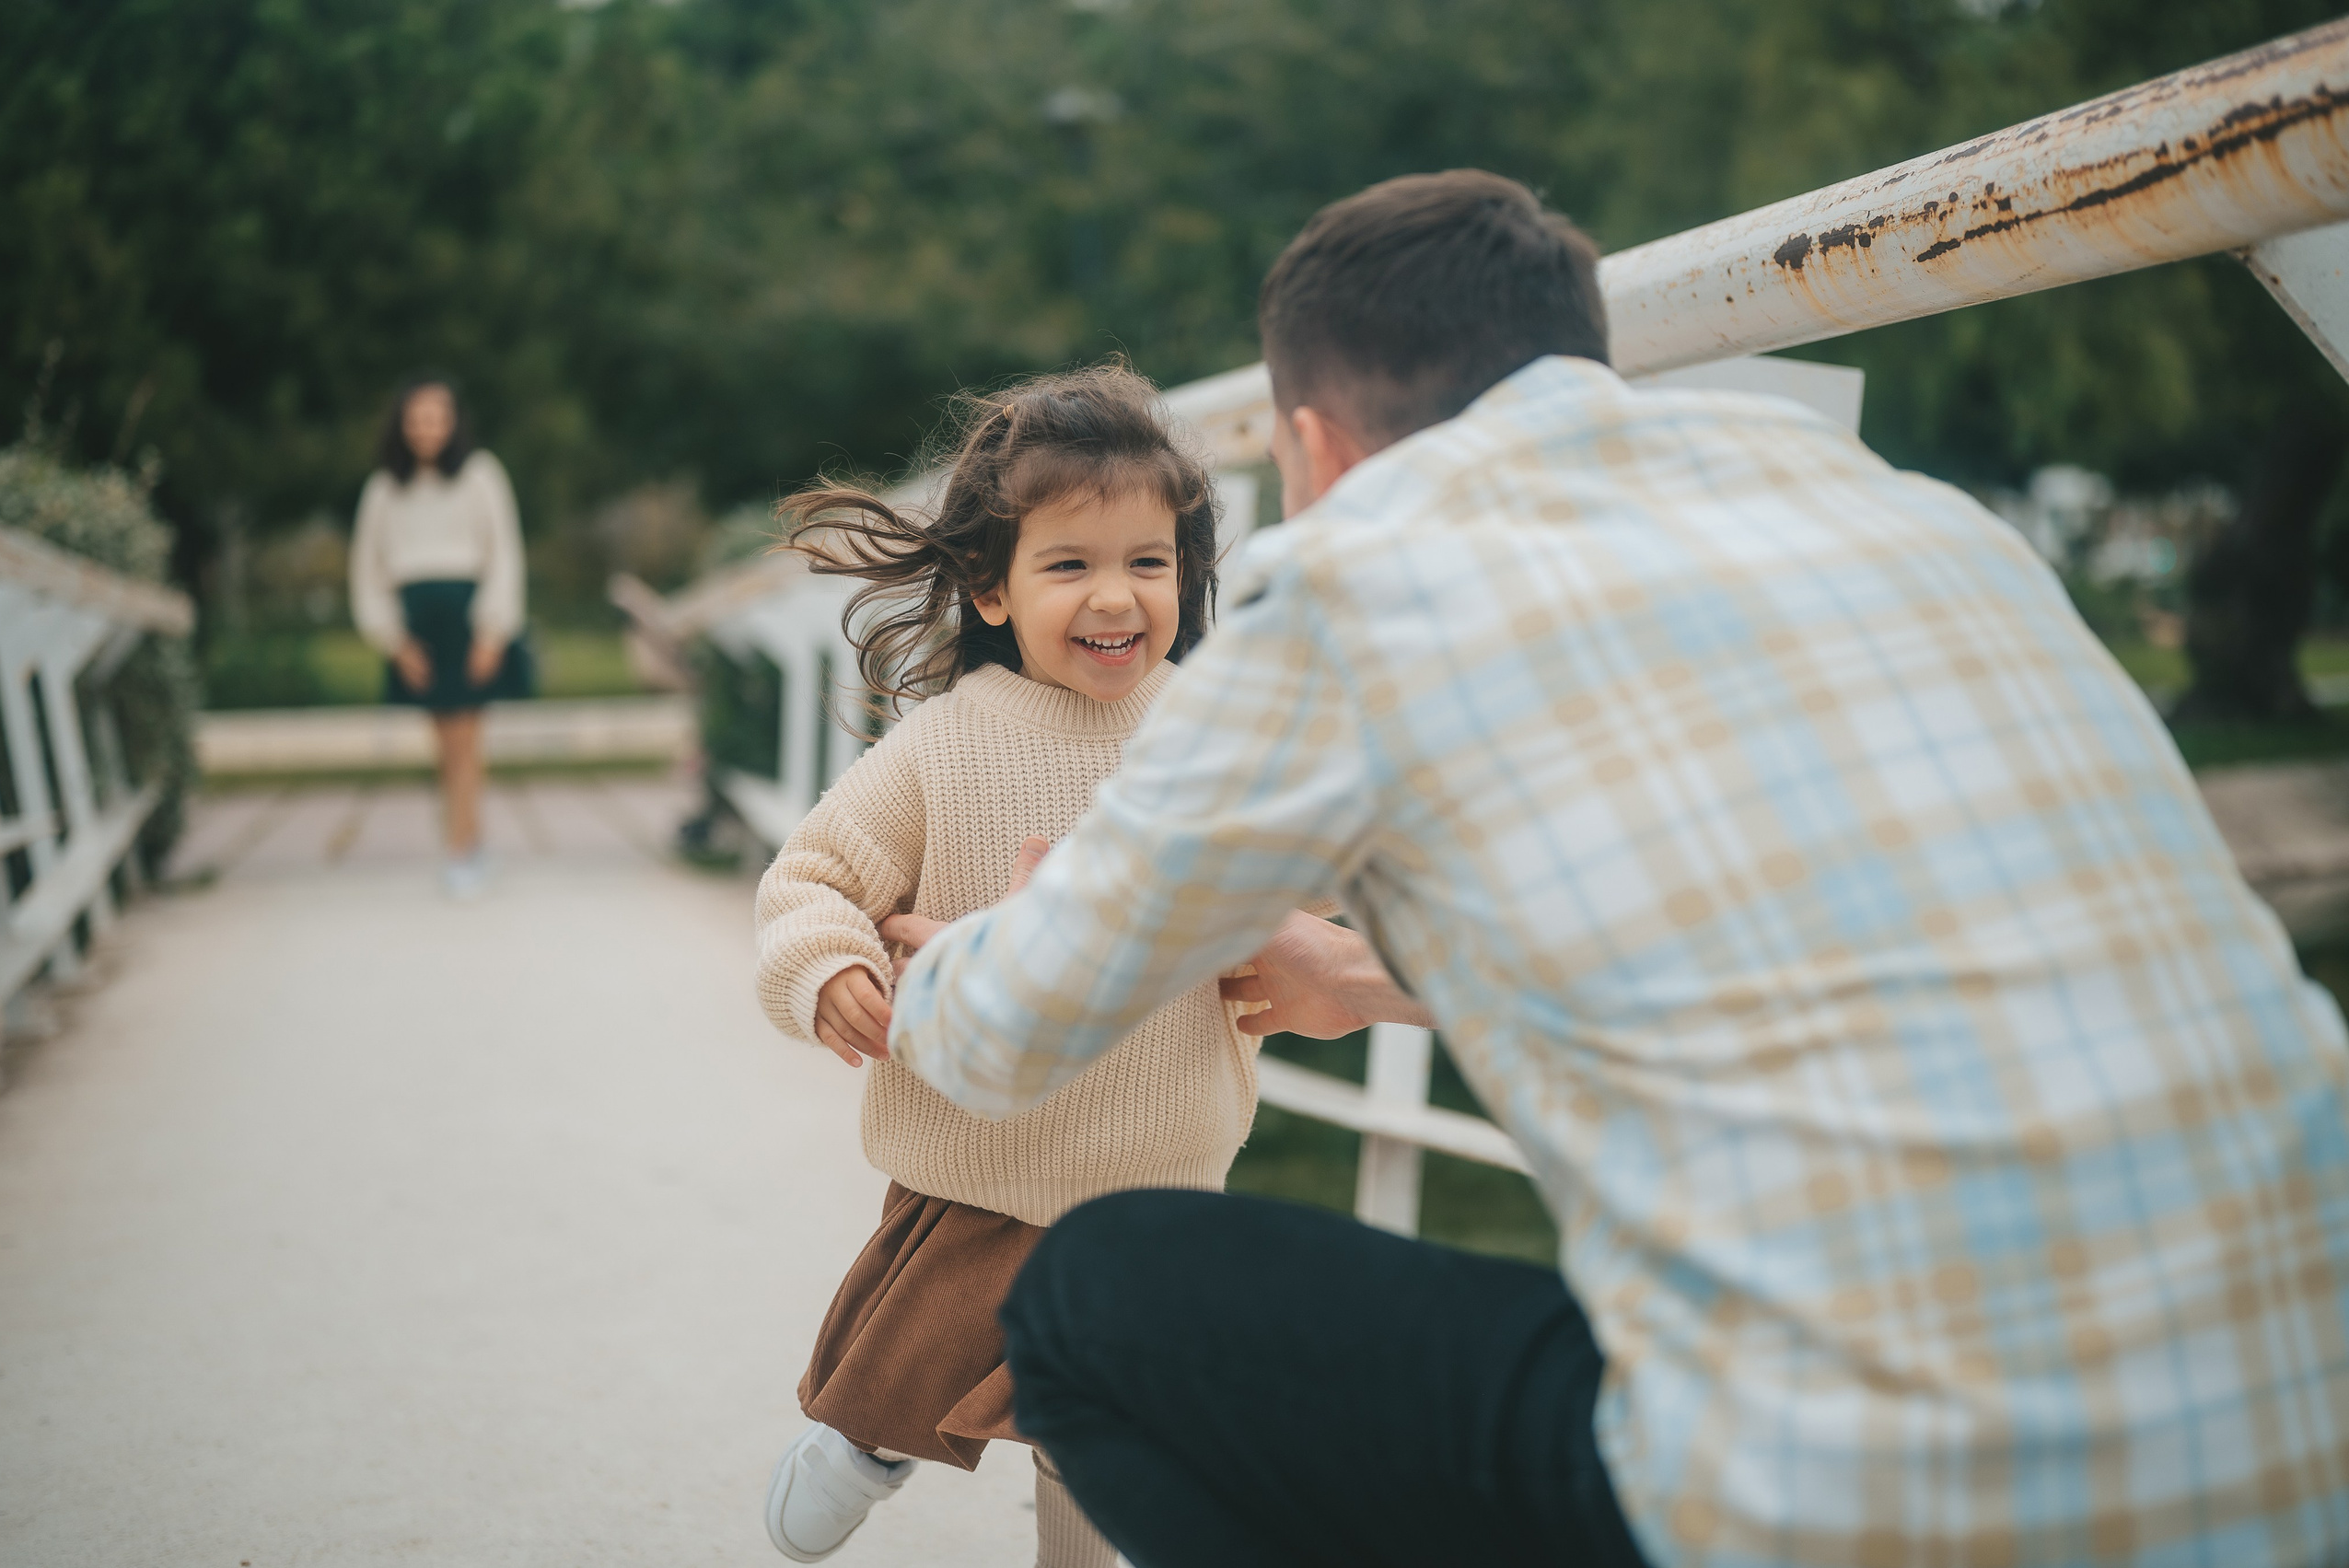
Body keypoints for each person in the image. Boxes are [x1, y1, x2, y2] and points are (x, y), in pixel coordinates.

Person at [882, 171, 2349, 1567]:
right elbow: (1812, 934)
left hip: (1851, 1509)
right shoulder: (1907, 511)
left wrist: (947, 944)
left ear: (1311, 446)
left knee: (1090, 1295)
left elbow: (996, 1038)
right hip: (2298, 1456)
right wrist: (1373, 977)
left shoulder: (1355, 585)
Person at [752, 366, 1315, 1566]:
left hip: (1158, 1171)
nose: (1115, 595)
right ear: (988, 586)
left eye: (1148, 562)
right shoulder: (944, 746)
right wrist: (828, 964)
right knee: (906, 1368)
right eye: (1069, 564)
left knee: (1104, 1435)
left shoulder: (1215, 734)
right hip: (980, 1162)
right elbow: (810, 879)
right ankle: (865, 1443)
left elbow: (1296, 877)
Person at [349, 377, 531, 899]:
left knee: (466, 739)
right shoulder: (384, 489)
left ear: (453, 422)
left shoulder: (481, 476)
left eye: (437, 418)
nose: (427, 429)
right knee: (445, 742)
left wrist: (492, 632)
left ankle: (461, 850)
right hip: (417, 628)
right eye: (416, 419)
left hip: (468, 622)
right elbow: (367, 571)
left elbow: (505, 555)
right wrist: (394, 641)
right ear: (402, 426)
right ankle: (467, 842)